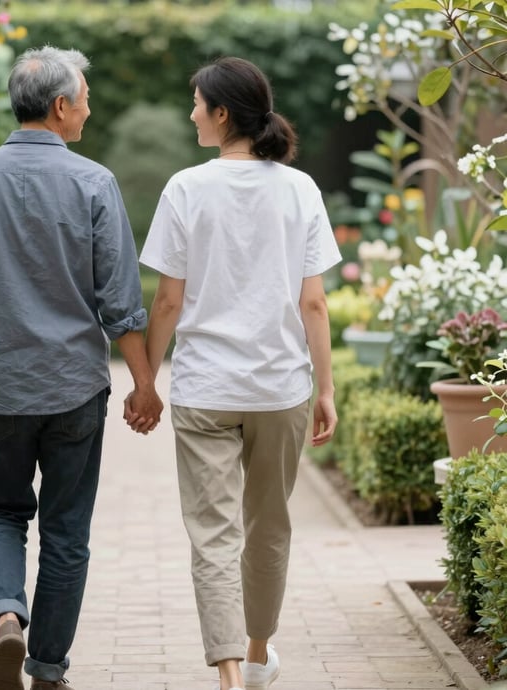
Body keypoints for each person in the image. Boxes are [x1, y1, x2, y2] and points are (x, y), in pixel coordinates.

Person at [0, 45, 162, 690]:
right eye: (84, 99)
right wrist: (144, 384)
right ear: (60, 106)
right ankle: (47, 669)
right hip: (73, 389)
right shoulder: (94, 182)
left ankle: (7, 613)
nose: (88, 109)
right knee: (66, 531)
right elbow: (120, 302)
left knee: (1, 513)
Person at [126, 57, 340, 690]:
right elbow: (314, 303)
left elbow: (167, 302)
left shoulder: (185, 188)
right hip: (280, 388)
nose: (191, 113)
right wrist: (326, 389)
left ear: (222, 114)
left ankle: (227, 674)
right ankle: (256, 654)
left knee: (213, 536)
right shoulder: (300, 189)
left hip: (205, 390)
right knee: (268, 529)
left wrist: (147, 383)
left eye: (197, 103)